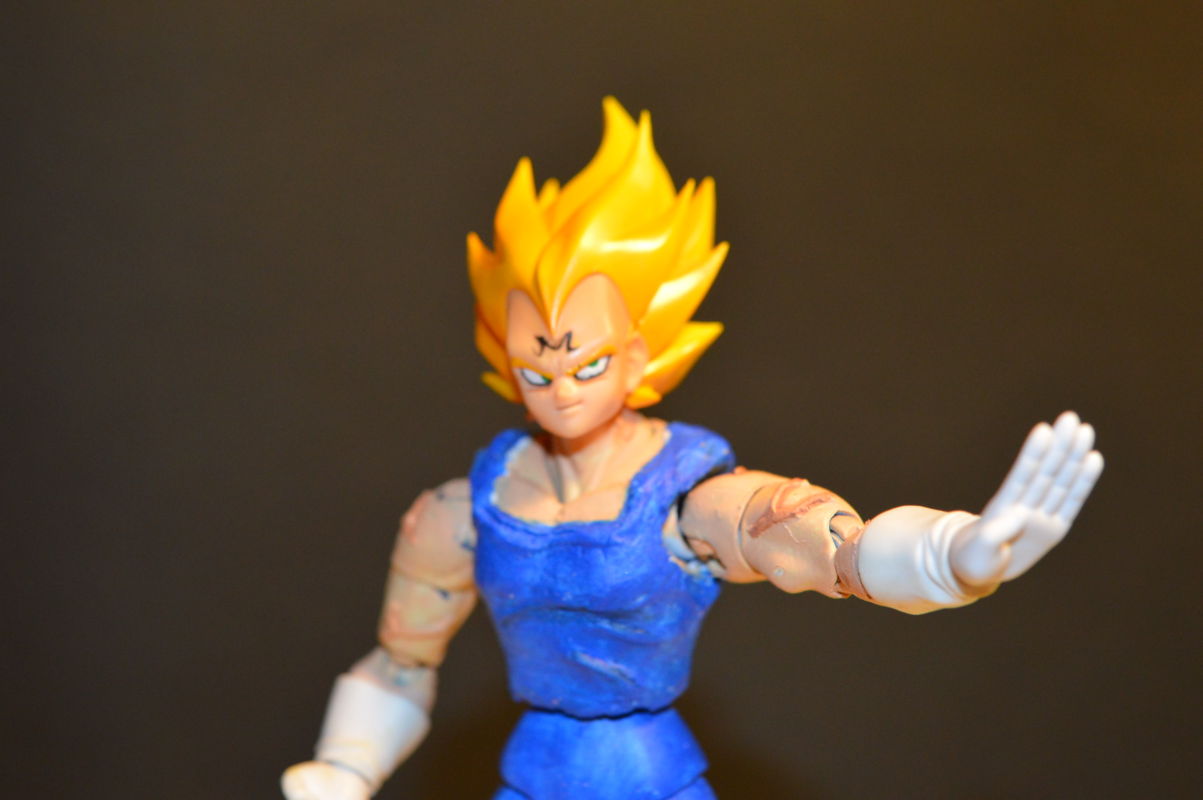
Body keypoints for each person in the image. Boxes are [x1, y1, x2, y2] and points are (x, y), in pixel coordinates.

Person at [281, 98, 1103, 800]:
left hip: (650, 777)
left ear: (638, 353)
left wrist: (945, 559)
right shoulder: (464, 512)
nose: (561, 389)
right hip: (532, 775)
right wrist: (344, 767)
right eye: (536, 369)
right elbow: (399, 664)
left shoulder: (683, 498)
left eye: (588, 363)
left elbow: (813, 541)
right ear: (504, 353)